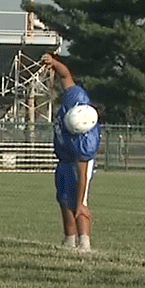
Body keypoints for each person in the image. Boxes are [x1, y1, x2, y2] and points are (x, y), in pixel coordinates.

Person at [43, 53, 100, 252]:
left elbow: (83, 170)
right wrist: (54, 63)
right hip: (65, 158)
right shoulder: (74, 99)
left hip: (77, 161)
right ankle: (69, 239)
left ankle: (84, 241)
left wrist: (81, 200)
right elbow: (66, 76)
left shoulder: (83, 136)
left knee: (78, 200)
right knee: (64, 198)